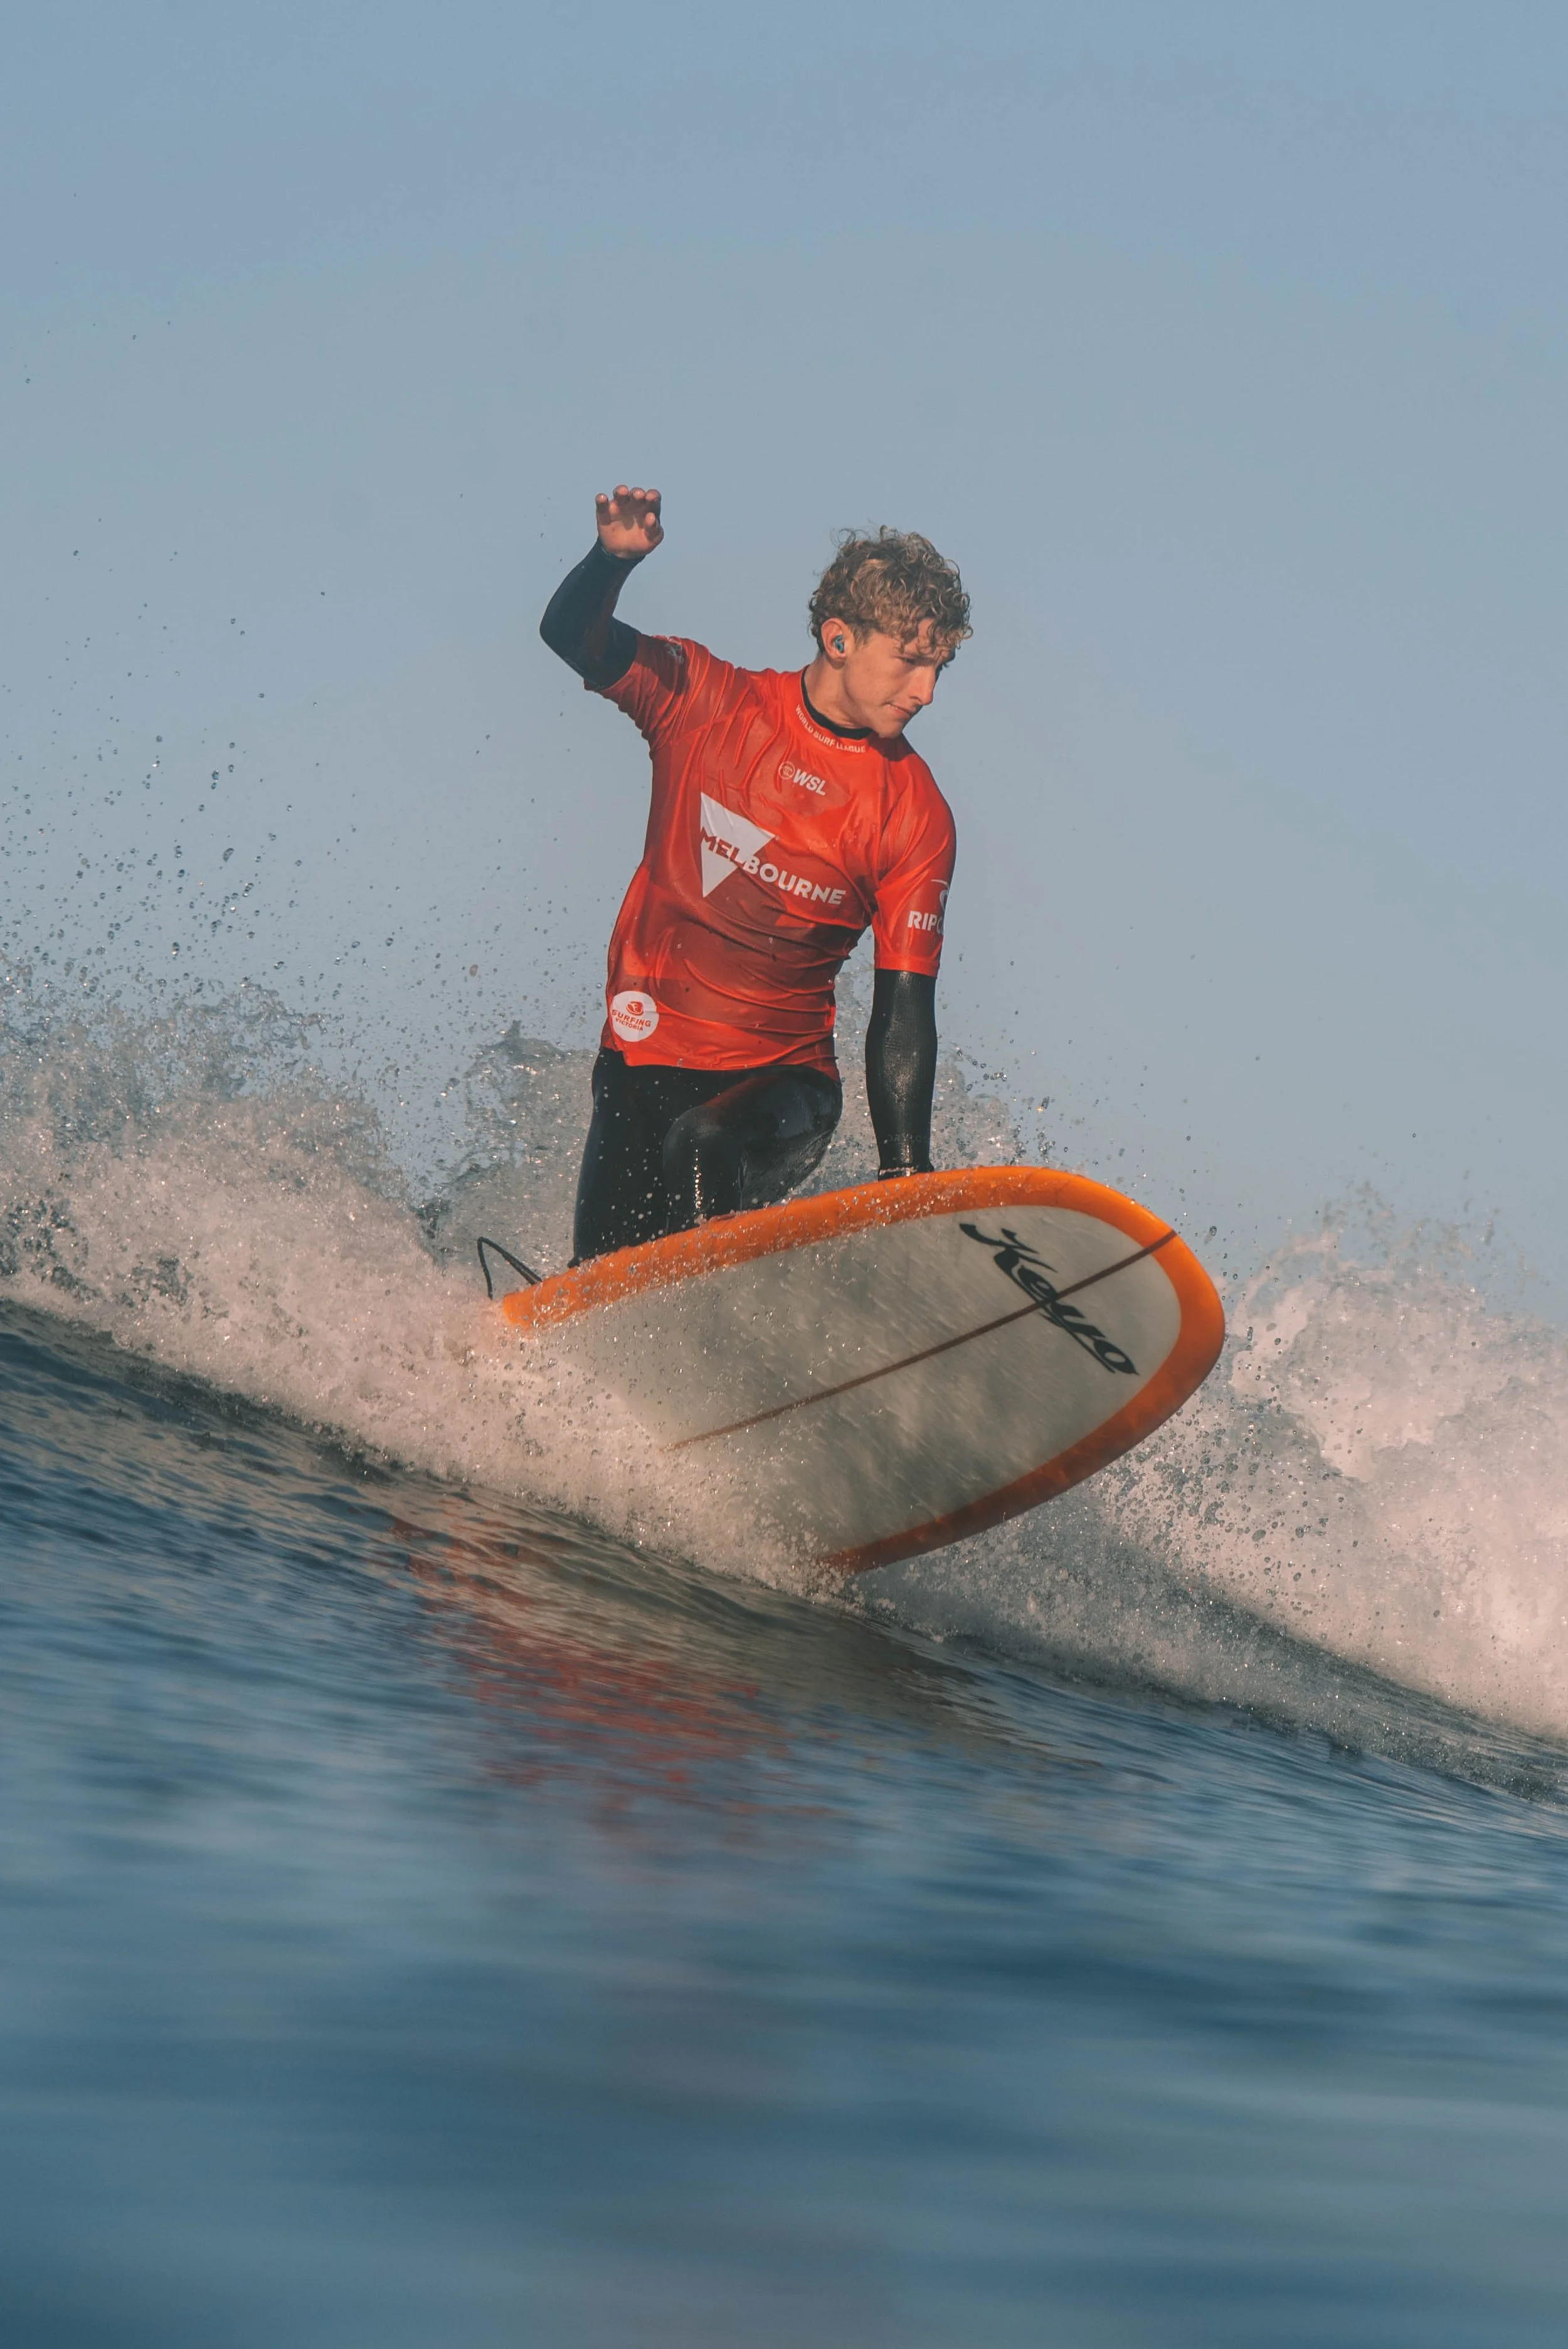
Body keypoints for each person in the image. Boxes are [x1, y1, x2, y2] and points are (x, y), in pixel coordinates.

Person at [541, 484, 970, 1263]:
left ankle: (727, 1329)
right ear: (839, 639)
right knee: (599, 1280)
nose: (926, 692)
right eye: (910, 662)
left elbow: (903, 1010)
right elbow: (572, 636)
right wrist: (611, 562)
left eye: (939, 667)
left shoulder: (912, 811)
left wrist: (905, 1174)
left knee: (704, 1146)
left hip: (780, 1089)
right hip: (640, 1063)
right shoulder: (707, 703)